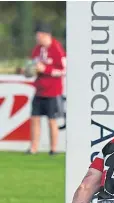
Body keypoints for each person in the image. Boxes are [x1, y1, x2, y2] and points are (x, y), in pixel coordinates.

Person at [25, 22, 66, 155]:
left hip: (53, 92)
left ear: (45, 35)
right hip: (39, 90)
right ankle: (33, 148)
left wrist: (46, 69)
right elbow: (31, 65)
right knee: (35, 118)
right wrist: (28, 71)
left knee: (51, 120)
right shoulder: (37, 49)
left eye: (39, 35)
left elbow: (63, 70)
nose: (37, 38)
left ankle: (53, 149)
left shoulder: (56, 48)